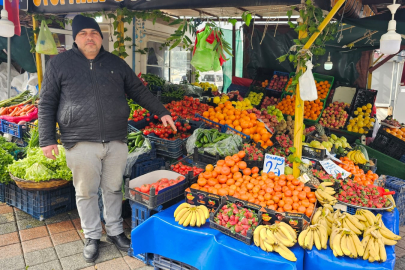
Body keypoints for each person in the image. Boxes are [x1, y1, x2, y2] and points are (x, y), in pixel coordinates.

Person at [38, 15, 176, 263]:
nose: (89, 37)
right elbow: (47, 103)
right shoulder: (59, 64)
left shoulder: (116, 63)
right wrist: (47, 139)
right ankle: (92, 236)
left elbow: (138, 90)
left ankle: (114, 231)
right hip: (79, 140)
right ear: (75, 38)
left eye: (94, 32)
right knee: (86, 192)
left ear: (101, 37)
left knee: (113, 188)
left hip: (115, 139)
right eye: (83, 33)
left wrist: (162, 111)